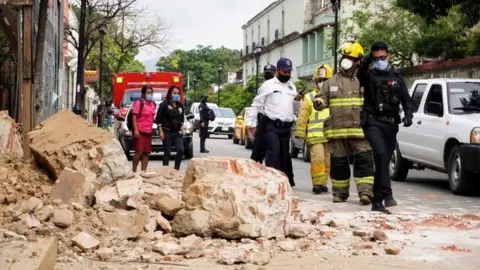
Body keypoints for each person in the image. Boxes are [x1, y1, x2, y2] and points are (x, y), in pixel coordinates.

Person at [313, 41, 374, 205]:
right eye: (344, 57)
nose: (345, 60)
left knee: (364, 162)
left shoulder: (365, 80)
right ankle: (339, 194)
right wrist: (319, 101)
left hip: (360, 131)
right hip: (337, 131)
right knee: (339, 164)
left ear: (358, 61)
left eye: (349, 57)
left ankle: (365, 193)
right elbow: (321, 97)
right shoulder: (331, 82)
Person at [357, 41, 413, 214]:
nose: (380, 60)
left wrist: (409, 114)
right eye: (376, 58)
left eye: (382, 57)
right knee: (380, 155)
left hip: (391, 124)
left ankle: (381, 199)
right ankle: (378, 200)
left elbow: (406, 99)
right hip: (373, 122)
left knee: (384, 161)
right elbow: (360, 74)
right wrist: (366, 61)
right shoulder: (370, 75)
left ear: (388, 56)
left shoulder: (397, 76)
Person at [247, 57, 303, 187]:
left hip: (286, 127)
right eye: (284, 72)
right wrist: (251, 123)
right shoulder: (268, 85)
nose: (287, 74)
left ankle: (284, 181)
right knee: (274, 151)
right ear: (277, 70)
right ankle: (272, 181)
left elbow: (295, 109)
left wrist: (297, 101)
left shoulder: (291, 87)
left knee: (284, 155)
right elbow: (257, 105)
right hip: (271, 124)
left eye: (289, 72)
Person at [295, 64, 332, 194]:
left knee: (327, 162)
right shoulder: (309, 97)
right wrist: (300, 131)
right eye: (320, 80)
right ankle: (317, 183)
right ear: (316, 81)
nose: (322, 83)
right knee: (318, 159)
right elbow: (303, 115)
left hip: (329, 136)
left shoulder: (334, 97)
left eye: (325, 80)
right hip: (314, 135)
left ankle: (323, 183)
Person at [250, 63, 277, 163]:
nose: (269, 76)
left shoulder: (282, 86)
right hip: (263, 120)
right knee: (257, 153)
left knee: (274, 154)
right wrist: (252, 123)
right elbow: (256, 105)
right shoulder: (263, 87)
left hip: (276, 123)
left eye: (271, 74)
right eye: (267, 74)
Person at [156, 86, 185, 170]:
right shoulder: (164, 104)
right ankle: (165, 171)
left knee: (180, 150)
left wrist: (181, 126)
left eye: (178, 93)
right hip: (166, 131)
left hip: (177, 132)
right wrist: (160, 131)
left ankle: (176, 170)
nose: (176, 95)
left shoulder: (180, 105)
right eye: (174, 93)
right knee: (167, 152)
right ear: (170, 94)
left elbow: (182, 118)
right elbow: (158, 119)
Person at [131, 86, 156, 174]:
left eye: (151, 93)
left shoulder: (153, 103)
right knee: (139, 152)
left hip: (148, 131)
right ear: (143, 94)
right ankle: (134, 172)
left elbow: (152, 117)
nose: (150, 94)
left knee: (146, 153)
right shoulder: (139, 103)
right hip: (140, 131)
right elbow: (134, 116)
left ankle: (143, 172)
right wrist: (135, 130)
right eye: (148, 93)